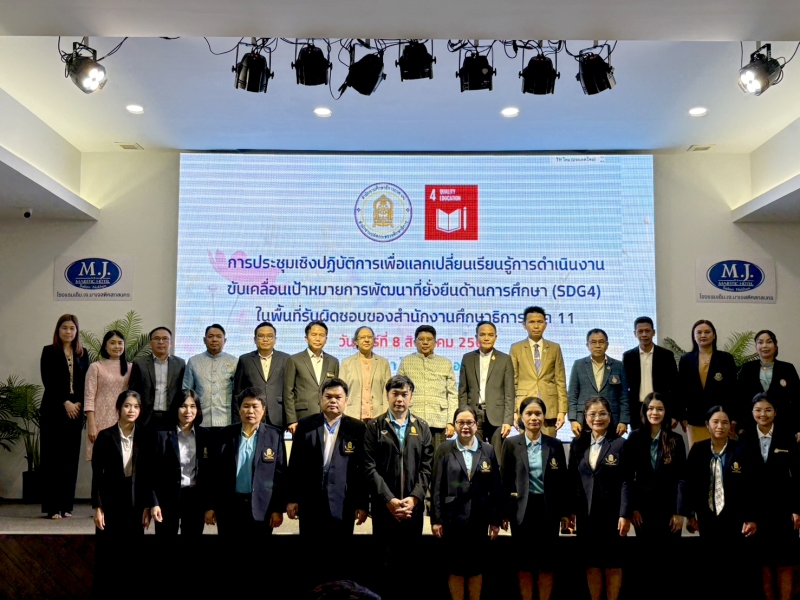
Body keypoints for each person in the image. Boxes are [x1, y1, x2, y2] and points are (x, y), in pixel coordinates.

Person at [287, 378, 368, 586]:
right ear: (320, 399)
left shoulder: (357, 428)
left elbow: (361, 470)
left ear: (346, 400)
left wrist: (361, 503)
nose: (333, 401)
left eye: (338, 397)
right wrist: (292, 498)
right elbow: (295, 464)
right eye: (328, 396)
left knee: (340, 557)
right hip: (311, 502)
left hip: (343, 503)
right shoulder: (305, 425)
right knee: (311, 556)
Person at [364, 375, 433, 600]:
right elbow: (369, 467)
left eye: (404, 394)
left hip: (413, 510)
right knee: (384, 566)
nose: (399, 399)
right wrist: (389, 499)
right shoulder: (374, 426)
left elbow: (427, 468)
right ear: (388, 396)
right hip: (384, 509)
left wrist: (414, 498)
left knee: (411, 566)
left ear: (411, 397)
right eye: (395, 394)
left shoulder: (422, 427)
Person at [501, 397, 569, 600]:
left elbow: (562, 481)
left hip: (548, 511)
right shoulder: (511, 444)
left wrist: (565, 513)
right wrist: (503, 513)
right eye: (529, 413)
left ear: (544, 417)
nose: (534, 418)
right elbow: (505, 480)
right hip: (522, 511)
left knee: (547, 564)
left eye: (538, 413)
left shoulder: (555, 444)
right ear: (521, 417)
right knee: (524, 564)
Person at [431, 406, 502, 600]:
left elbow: (496, 487)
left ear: (476, 425)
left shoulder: (487, 449)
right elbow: (437, 486)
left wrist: (495, 519)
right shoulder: (444, 449)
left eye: (469, 422)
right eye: (460, 422)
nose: (465, 427)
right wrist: (436, 519)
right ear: (454, 425)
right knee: (455, 568)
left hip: (479, 518)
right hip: (452, 519)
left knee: (476, 568)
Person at [569, 397, 631, 600]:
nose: (598, 418)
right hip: (586, 515)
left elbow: (627, 481)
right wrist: (570, 511)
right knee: (592, 563)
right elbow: (572, 479)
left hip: (612, 515)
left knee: (613, 563)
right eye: (592, 414)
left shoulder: (620, 444)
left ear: (610, 417)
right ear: (585, 417)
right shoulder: (578, 444)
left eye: (602, 413)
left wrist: (624, 513)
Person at [742, 393, 800, 600]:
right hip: (757, 512)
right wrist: (748, 515)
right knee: (763, 563)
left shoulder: (787, 437)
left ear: (775, 412)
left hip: (783, 510)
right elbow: (742, 481)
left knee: (785, 561)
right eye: (758, 410)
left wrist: (797, 509)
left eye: (768, 410)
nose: (763, 414)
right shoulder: (745, 438)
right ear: (752, 412)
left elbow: (797, 475)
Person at [208, 387, 286, 536]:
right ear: (239, 410)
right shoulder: (225, 435)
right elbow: (214, 473)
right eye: (246, 406)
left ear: (263, 410)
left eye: (255, 406)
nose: (250, 411)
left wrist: (277, 509)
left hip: (262, 509)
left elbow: (280, 476)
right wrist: (211, 506)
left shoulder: (274, 436)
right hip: (229, 508)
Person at [40, 314, 90, 519]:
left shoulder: (83, 353)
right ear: (58, 330)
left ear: (76, 331)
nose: (68, 331)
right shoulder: (49, 351)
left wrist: (78, 403)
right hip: (54, 409)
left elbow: (87, 381)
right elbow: (48, 380)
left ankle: (66, 505)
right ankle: (52, 507)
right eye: (64, 328)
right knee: (53, 458)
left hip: (75, 411)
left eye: (72, 328)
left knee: (70, 458)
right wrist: (65, 402)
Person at [144, 389, 213, 536]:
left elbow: (210, 474)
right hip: (167, 499)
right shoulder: (161, 435)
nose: (188, 411)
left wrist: (209, 505)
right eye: (183, 406)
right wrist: (154, 503)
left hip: (195, 499)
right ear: (175, 408)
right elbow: (152, 473)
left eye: (193, 406)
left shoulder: (206, 436)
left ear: (198, 410)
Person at [685, 406, 757, 544]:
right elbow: (690, 484)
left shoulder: (741, 450)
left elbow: (750, 486)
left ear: (730, 425)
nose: (720, 426)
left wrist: (751, 517)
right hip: (706, 517)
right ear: (707, 424)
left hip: (736, 518)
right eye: (715, 422)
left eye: (725, 423)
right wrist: (690, 515)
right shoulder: (698, 450)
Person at [623, 392, 687, 541]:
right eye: (650, 408)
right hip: (642, 512)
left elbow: (682, 478)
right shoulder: (634, 438)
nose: (655, 413)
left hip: (669, 511)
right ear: (644, 411)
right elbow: (628, 477)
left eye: (660, 409)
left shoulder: (676, 440)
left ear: (666, 412)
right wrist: (633, 508)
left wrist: (679, 512)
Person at [91, 391, 146, 537]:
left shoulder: (144, 437)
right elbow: (97, 474)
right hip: (110, 501)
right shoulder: (105, 437)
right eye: (127, 406)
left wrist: (147, 506)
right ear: (119, 408)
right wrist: (97, 506)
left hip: (135, 502)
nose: (131, 410)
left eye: (136, 406)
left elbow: (147, 475)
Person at [458, 321, 515, 459]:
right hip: (473, 414)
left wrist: (508, 421)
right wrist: (463, 416)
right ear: (476, 337)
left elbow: (509, 393)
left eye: (490, 335)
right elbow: (463, 391)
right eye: (482, 334)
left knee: (497, 457)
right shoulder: (467, 358)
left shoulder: (505, 359)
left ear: (496, 337)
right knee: (474, 455)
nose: (486, 338)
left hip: (497, 416)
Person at [677, 320, 737, 447]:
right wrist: (682, 416)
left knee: (724, 454)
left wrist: (733, 417)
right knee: (698, 455)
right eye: (699, 332)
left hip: (721, 419)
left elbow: (733, 391)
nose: (703, 335)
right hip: (695, 418)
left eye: (707, 332)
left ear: (714, 335)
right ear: (694, 336)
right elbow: (680, 390)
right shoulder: (686, 359)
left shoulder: (726, 358)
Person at [397, 325, 457, 451]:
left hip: (438, 420)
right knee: (413, 457)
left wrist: (451, 422)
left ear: (435, 343)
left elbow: (452, 394)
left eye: (429, 339)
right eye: (421, 339)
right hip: (412, 419)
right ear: (414, 342)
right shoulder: (406, 361)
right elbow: (398, 392)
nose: (425, 342)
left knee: (438, 458)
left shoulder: (445, 363)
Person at [510, 306, 568, 436]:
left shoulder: (554, 348)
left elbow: (560, 381)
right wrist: (513, 411)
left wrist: (562, 411)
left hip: (549, 408)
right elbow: (512, 381)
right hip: (524, 407)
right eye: (532, 322)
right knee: (526, 446)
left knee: (549, 446)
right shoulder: (516, 348)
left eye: (540, 322)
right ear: (524, 325)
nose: (536, 326)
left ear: (545, 324)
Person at [737, 330, 800, 439]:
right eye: (760, 342)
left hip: (783, 425)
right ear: (756, 347)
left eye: (769, 342)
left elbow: (797, 400)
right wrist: (740, 425)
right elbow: (739, 399)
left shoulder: (787, 369)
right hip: (751, 427)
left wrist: (798, 427)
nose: (765, 346)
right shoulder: (747, 368)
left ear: (775, 346)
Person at [569, 329, 630, 437]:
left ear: (607, 345)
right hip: (584, 420)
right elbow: (572, 395)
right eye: (593, 342)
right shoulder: (579, 365)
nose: (597, 345)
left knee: (612, 447)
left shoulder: (618, 365)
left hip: (612, 420)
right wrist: (573, 419)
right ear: (587, 345)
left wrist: (623, 421)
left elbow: (624, 396)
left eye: (601, 342)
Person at [621, 317, 678, 429]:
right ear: (635, 334)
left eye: (647, 331)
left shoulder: (666, 356)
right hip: (637, 410)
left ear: (653, 332)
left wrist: (675, 414)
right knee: (639, 440)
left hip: (661, 409)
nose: (644, 334)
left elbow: (675, 386)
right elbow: (624, 388)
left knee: (662, 440)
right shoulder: (628, 357)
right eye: (640, 331)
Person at [284, 321, 340, 434]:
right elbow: (288, 392)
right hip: (303, 417)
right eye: (314, 335)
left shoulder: (333, 361)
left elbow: (336, 391)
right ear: (306, 338)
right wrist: (291, 420)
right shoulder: (294, 360)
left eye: (322, 335)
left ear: (326, 339)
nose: (318, 339)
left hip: (328, 417)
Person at [233, 321, 290, 428]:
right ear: (255, 339)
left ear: (275, 339)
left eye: (270, 336)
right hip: (252, 415)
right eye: (261, 336)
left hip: (278, 415)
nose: (265, 339)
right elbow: (237, 392)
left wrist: (291, 420)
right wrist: (237, 420)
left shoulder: (286, 359)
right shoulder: (245, 360)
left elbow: (290, 390)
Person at [85, 330, 131, 460]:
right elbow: (89, 397)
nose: (117, 346)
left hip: (123, 420)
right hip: (100, 420)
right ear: (105, 346)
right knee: (101, 462)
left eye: (120, 343)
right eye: (112, 343)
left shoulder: (131, 367)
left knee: (121, 461)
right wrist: (91, 425)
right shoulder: (95, 367)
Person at [128, 326, 185, 431]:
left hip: (171, 417)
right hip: (146, 417)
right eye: (157, 338)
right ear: (150, 342)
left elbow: (182, 390)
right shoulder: (140, 363)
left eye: (165, 338)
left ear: (171, 343)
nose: (161, 342)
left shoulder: (180, 364)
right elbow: (133, 391)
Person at [183, 324, 238, 430]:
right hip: (200, 420)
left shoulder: (234, 362)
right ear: (204, 340)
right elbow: (186, 392)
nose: (214, 340)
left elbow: (237, 393)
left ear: (225, 341)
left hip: (226, 420)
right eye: (210, 336)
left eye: (219, 336)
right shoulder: (193, 361)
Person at [340, 326, 391, 422]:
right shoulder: (346, 363)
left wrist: (386, 415)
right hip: (352, 416)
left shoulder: (383, 363)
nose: (367, 340)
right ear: (356, 342)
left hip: (378, 416)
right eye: (362, 337)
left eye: (370, 337)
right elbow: (341, 392)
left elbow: (388, 391)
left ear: (374, 340)